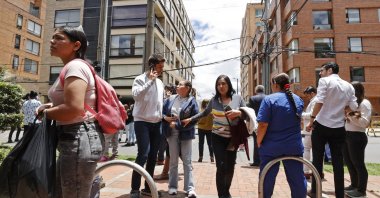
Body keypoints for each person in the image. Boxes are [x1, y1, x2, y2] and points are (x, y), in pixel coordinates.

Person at [36, 26, 104, 198]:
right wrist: (50, 106)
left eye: (59, 38)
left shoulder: (75, 67)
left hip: (79, 139)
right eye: (52, 38)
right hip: (76, 139)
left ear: (76, 45)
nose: (52, 41)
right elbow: (74, 102)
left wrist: (45, 114)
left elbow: (74, 108)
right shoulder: (74, 67)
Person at [183, 74, 246, 198]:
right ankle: (222, 195)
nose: (221, 86)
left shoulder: (238, 98)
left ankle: (226, 191)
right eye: (218, 84)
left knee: (230, 167)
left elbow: (247, 115)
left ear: (229, 85)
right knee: (221, 166)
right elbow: (204, 113)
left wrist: (238, 112)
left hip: (232, 138)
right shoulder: (214, 101)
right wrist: (190, 119)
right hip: (217, 137)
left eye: (223, 84)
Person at [306, 62, 358, 198]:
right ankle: (339, 194)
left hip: (322, 125)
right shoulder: (349, 85)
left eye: (322, 70)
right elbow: (353, 106)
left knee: (317, 159)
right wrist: (342, 110)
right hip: (339, 127)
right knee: (338, 162)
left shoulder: (324, 81)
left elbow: (320, 101)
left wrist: (311, 119)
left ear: (329, 70)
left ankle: (315, 191)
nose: (320, 73)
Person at [256, 73, 306, 198]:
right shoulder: (298, 99)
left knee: (266, 179)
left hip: (271, 147)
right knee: (297, 180)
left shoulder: (269, 99)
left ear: (276, 84)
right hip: (293, 146)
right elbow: (300, 125)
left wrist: (258, 141)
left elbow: (262, 124)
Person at [129, 53, 165, 198]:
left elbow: (159, 102)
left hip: (157, 123)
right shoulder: (140, 79)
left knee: (152, 156)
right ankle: (134, 189)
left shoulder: (160, 83)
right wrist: (149, 81)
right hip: (142, 121)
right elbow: (136, 96)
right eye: (160, 66)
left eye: (162, 66)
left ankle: (148, 188)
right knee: (143, 154)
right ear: (152, 66)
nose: (162, 69)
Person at [162, 80, 198, 197]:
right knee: (173, 161)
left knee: (187, 161)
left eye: (180, 85)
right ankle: (172, 186)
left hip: (186, 134)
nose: (177, 86)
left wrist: (177, 125)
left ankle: (190, 188)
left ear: (187, 88)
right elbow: (161, 112)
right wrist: (165, 118)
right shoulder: (170, 99)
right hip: (171, 133)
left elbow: (194, 119)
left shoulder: (192, 101)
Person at [343, 81, 371, 197]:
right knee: (349, 162)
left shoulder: (365, 103)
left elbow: (365, 123)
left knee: (358, 163)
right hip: (347, 135)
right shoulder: (353, 104)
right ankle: (354, 185)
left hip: (357, 136)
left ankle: (361, 190)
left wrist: (350, 115)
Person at [247, 85, 265, 167]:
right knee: (266, 142)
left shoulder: (253, 99)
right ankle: (265, 160)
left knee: (256, 142)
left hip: (256, 123)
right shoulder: (268, 97)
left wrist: (248, 123)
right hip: (267, 123)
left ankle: (257, 161)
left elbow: (249, 112)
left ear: (256, 90)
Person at [301, 86, 317, 179]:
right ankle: (318, 171)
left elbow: (312, 114)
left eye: (308, 95)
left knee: (306, 149)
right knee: (316, 151)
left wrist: (301, 114)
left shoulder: (315, 101)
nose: (307, 97)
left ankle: (305, 171)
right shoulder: (314, 100)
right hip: (311, 129)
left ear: (312, 93)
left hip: (310, 129)